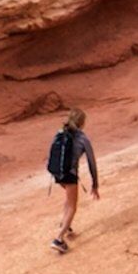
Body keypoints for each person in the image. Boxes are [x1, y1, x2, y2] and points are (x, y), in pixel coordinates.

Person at [46, 107, 101, 256]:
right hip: (69, 174)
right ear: (82, 123)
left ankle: (66, 224)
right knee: (72, 206)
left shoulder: (60, 133)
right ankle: (58, 239)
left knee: (69, 200)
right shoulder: (82, 139)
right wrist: (95, 184)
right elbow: (91, 162)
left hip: (57, 174)